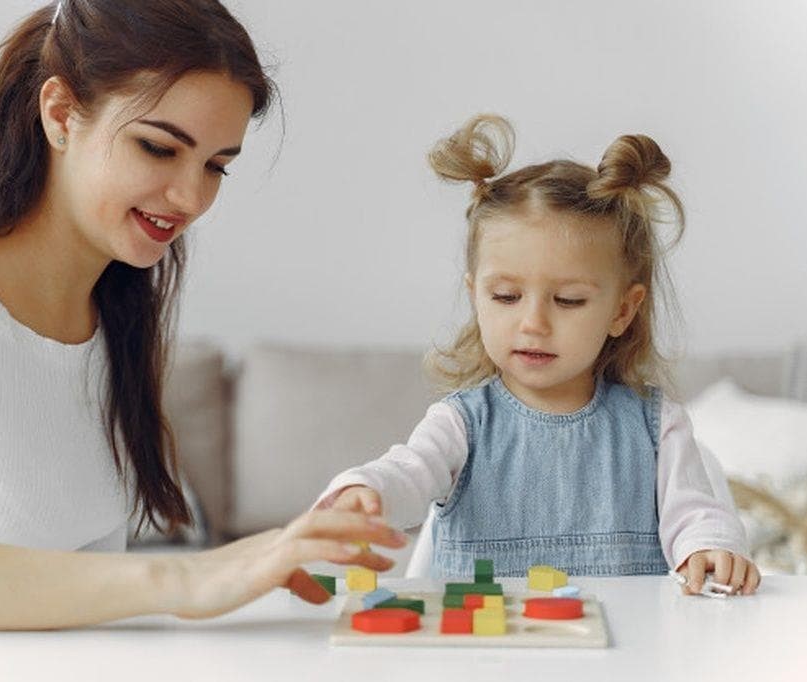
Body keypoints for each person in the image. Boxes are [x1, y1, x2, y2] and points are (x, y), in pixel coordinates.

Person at [0, 0, 405, 631]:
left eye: (216, 167)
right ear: (61, 114)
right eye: (158, 148)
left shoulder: (113, 313)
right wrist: (186, 576)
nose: (191, 198)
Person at [315, 114, 761, 596]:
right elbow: (408, 472)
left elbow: (696, 513)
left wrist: (709, 547)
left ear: (622, 310)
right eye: (506, 297)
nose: (533, 324)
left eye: (568, 300)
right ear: (475, 297)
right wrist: (366, 493)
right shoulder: (461, 424)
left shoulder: (657, 427)